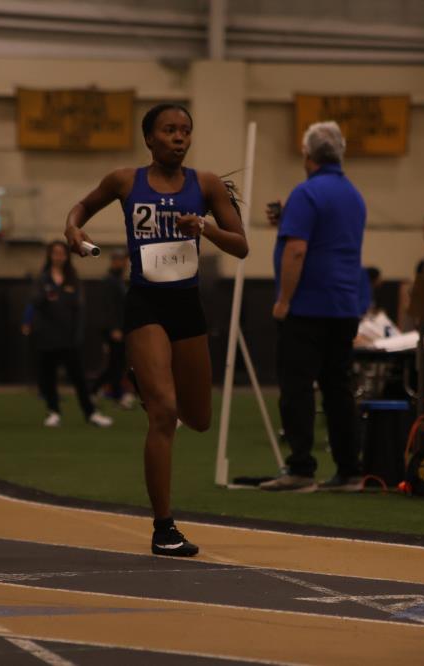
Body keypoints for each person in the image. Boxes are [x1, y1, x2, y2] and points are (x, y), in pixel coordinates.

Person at [64, 102, 247, 557]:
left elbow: (241, 246)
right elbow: (82, 207)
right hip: (145, 303)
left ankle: (148, 380)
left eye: (185, 130)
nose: (178, 137)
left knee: (198, 419)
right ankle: (164, 528)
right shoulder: (125, 181)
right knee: (164, 413)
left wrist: (203, 227)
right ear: (149, 138)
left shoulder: (205, 185)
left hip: (187, 305)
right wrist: (72, 228)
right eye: (169, 130)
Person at [259, 121, 367, 493]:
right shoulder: (354, 195)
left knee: (297, 388)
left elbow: (297, 250)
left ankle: (301, 468)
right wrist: (286, 220)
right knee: (339, 390)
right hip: (344, 305)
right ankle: (350, 470)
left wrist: (284, 301)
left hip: (307, 306)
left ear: (307, 155)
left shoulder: (306, 193)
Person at [30, 240, 113, 428]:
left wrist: (77, 334)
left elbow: (79, 309)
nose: (58, 257)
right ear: (50, 256)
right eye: (55, 253)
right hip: (47, 338)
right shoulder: (43, 279)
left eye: (62, 253)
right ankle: (53, 412)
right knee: (49, 378)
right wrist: (46, 296)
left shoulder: (73, 279)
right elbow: (34, 302)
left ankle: (91, 413)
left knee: (79, 379)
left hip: (68, 338)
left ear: (67, 256)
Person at [91, 248, 134, 409]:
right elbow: (108, 306)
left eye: (125, 260)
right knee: (115, 364)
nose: (124, 263)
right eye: (121, 260)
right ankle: (96, 390)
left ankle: (115, 394)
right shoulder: (110, 281)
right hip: (113, 330)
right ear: (114, 261)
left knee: (117, 365)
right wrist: (114, 328)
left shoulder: (119, 280)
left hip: (120, 328)